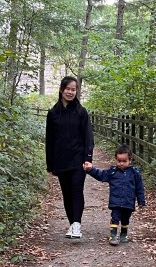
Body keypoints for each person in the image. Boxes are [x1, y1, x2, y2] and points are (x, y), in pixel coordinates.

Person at [45, 75, 94, 240]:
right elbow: (50, 140)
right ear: (61, 90)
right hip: (61, 160)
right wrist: (50, 163)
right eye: (68, 89)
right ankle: (72, 224)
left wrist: (88, 157)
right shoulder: (53, 113)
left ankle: (77, 224)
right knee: (66, 193)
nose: (70, 92)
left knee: (76, 189)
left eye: (74, 90)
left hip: (78, 160)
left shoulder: (81, 112)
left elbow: (88, 137)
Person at [83, 144, 146, 245]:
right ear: (116, 159)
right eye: (119, 161)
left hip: (128, 201)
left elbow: (139, 188)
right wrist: (90, 170)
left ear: (130, 160)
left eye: (124, 161)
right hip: (115, 201)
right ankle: (113, 235)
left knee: (125, 219)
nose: (121, 163)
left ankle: (124, 234)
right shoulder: (113, 172)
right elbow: (101, 175)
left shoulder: (135, 173)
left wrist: (141, 201)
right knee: (115, 217)